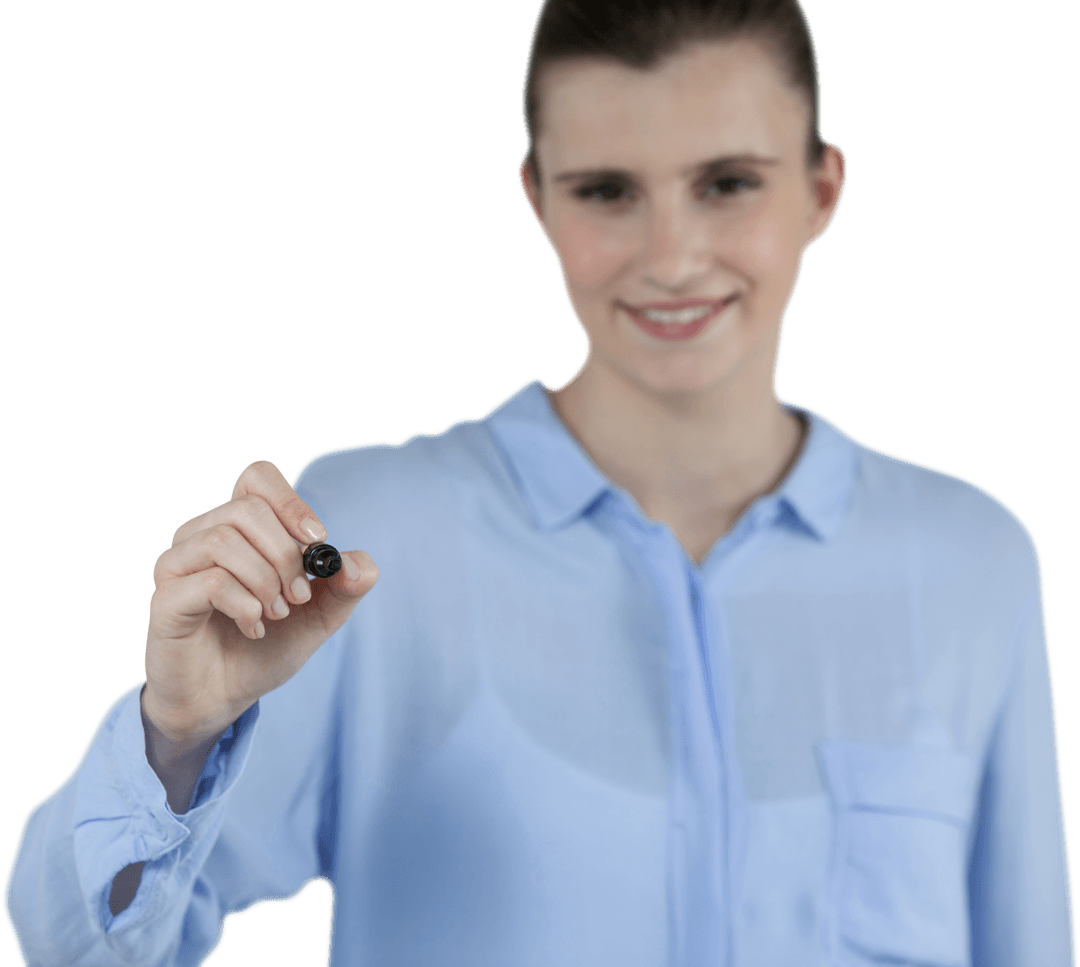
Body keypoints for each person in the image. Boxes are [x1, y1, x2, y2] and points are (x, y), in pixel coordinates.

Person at [4, 0, 1076, 963]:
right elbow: (77, 951)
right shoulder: (370, 546)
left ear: (822, 189)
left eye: (728, 183)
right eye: (608, 190)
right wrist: (177, 734)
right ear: (536, 199)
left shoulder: (971, 561)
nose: (670, 255)